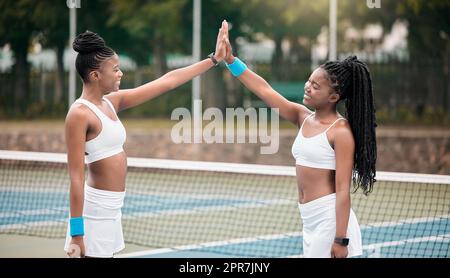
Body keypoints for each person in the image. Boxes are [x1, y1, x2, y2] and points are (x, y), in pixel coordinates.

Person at [64, 21, 228, 258]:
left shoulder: (112, 102)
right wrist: (78, 234)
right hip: (93, 213)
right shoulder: (79, 114)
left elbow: (167, 81)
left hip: (113, 209)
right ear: (96, 75)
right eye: (116, 69)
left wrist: (213, 60)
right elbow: (76, 178)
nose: (121, 73)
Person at [221, 20, 376, 258]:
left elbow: (343, 190)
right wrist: (231, 61)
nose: (308, 87)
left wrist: (341, 239)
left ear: (334, 96)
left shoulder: (341, 132)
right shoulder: (302, 116)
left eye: (316, 86)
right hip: (309, 219)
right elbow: (265, 90)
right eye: (309, 81)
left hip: (329, 221)